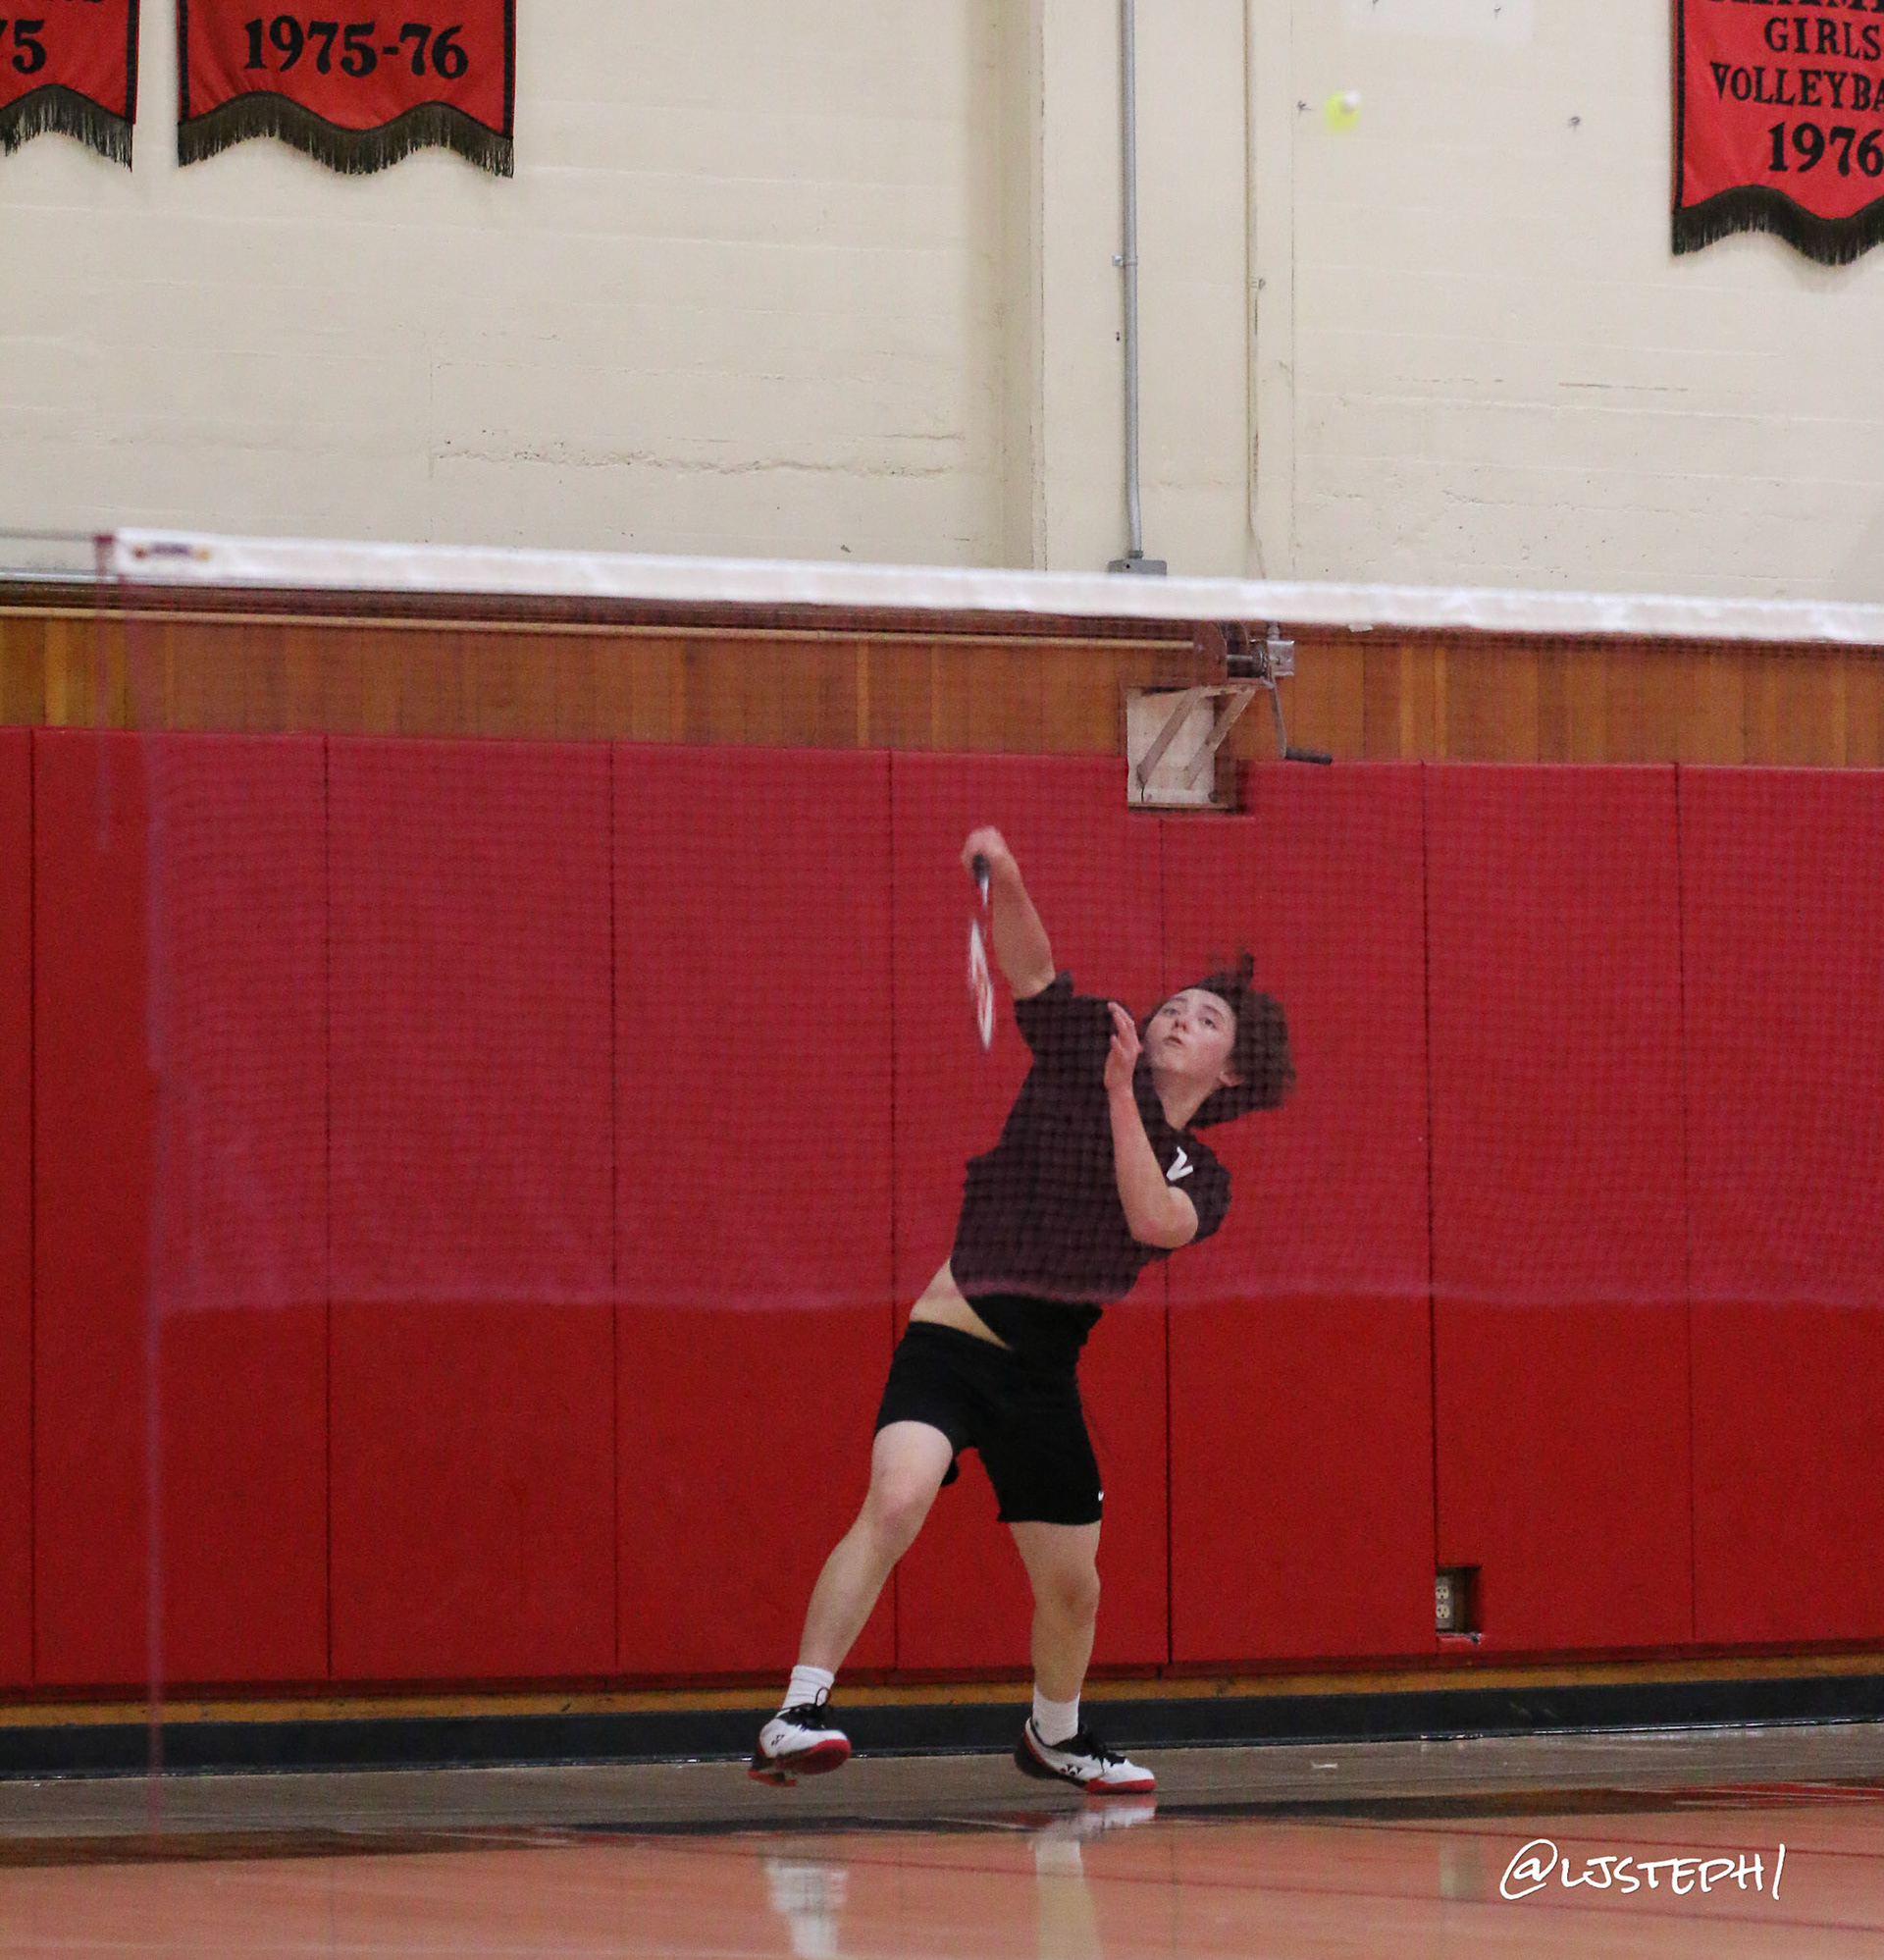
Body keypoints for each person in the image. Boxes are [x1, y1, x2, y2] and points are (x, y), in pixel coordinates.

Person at [752, 827, 1293, 1793]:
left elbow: (1151, 1217)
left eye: (1205, 1018)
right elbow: (1034, 969)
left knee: (1074, 1588)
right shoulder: (1091, 1044)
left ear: (1233, 1073)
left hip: (1041, 1379)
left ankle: (1055, 1734)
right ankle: (797, 1711)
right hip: (951, 1341)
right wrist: (1008, 874)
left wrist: (1120, 1096)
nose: (1178, 1017)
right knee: (897, 1499)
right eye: (1175, 1005)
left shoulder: (1201, 1174)